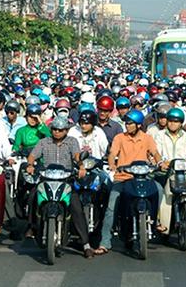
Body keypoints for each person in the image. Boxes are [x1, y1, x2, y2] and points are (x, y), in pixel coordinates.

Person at [96, 109, 164, 255]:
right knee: (111, 207)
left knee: (159, 189)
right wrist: (113, 165)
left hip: (143, 178)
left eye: (131, 123)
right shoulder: (119, 138)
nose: (127, 126)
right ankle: (105, 242)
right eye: (126, 123)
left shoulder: (147, 138)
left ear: (139, 125)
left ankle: (155, 219)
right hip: (123, 177)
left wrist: (160, 162)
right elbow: (112, 154)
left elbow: (155, 153)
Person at [26, 116, 94, 258]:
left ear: (66, 131)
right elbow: (32, 156)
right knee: (32, 197)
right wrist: (30, 165)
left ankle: (85, 243)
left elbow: (77, 156)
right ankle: (32, 227)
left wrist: (81, 167)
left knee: (76, 207)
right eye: (55, 129)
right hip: (46, 179)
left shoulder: (72, 142)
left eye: (60, 130)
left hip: (66, 180)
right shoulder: (44, 142)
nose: (57, 132)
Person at [152, 107, 186, 244]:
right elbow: (156, 152)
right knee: (163, 193)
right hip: (165, 172)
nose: (172, 124)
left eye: (176, 121)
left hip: (182, 173)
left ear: (181, 123)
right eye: (170, 121)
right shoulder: (160, 135)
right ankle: (160, 222)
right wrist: (161, 162)